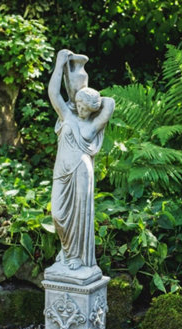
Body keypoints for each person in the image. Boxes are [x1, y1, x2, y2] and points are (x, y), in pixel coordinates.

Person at [48, 49, 115, 271]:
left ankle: (75, 256)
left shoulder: (91, 125)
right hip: (62, 171)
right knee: (57, 214)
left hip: (81, 170)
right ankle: (66, 249)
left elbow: (110, 103)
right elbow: (53, 94)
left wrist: (89, 96)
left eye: (87, 109)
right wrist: (60, 64)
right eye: (81, 106)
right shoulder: (66, 115)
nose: (83, 111)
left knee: (79, 216)